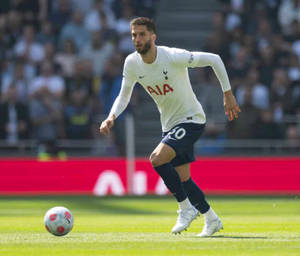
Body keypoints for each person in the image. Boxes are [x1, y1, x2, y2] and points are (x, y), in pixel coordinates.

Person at [99, 17, 241, 237]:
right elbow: (124, 95)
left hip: (192, 119)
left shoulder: (173, 56)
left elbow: (215, 59)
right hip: (170, 124)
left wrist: (228, 93)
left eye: (142, 34)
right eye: (134, 35)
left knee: (157, 159)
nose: (137, 39)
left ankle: (185, 208)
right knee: (184, 178)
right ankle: (211, 218)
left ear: (153, 37)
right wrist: (111, 117)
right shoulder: (132, 63)